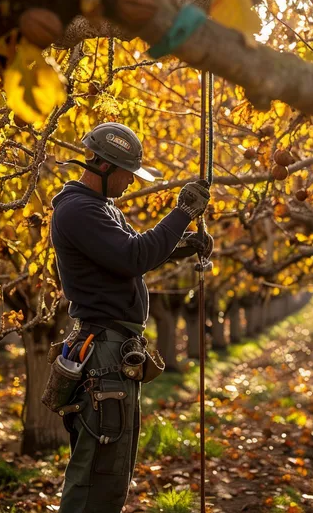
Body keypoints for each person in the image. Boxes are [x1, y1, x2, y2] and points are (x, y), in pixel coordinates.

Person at [48, 122, 212, 512]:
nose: (130, 183)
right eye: (126, 174)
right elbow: (132, 257)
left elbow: (132, 254)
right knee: (97, 471)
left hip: (113, 349)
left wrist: (182, 244)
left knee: (112, 468)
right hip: (102, 351)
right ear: (104, 167)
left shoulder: (101, 208)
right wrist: (182, 213)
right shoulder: (78, 210)